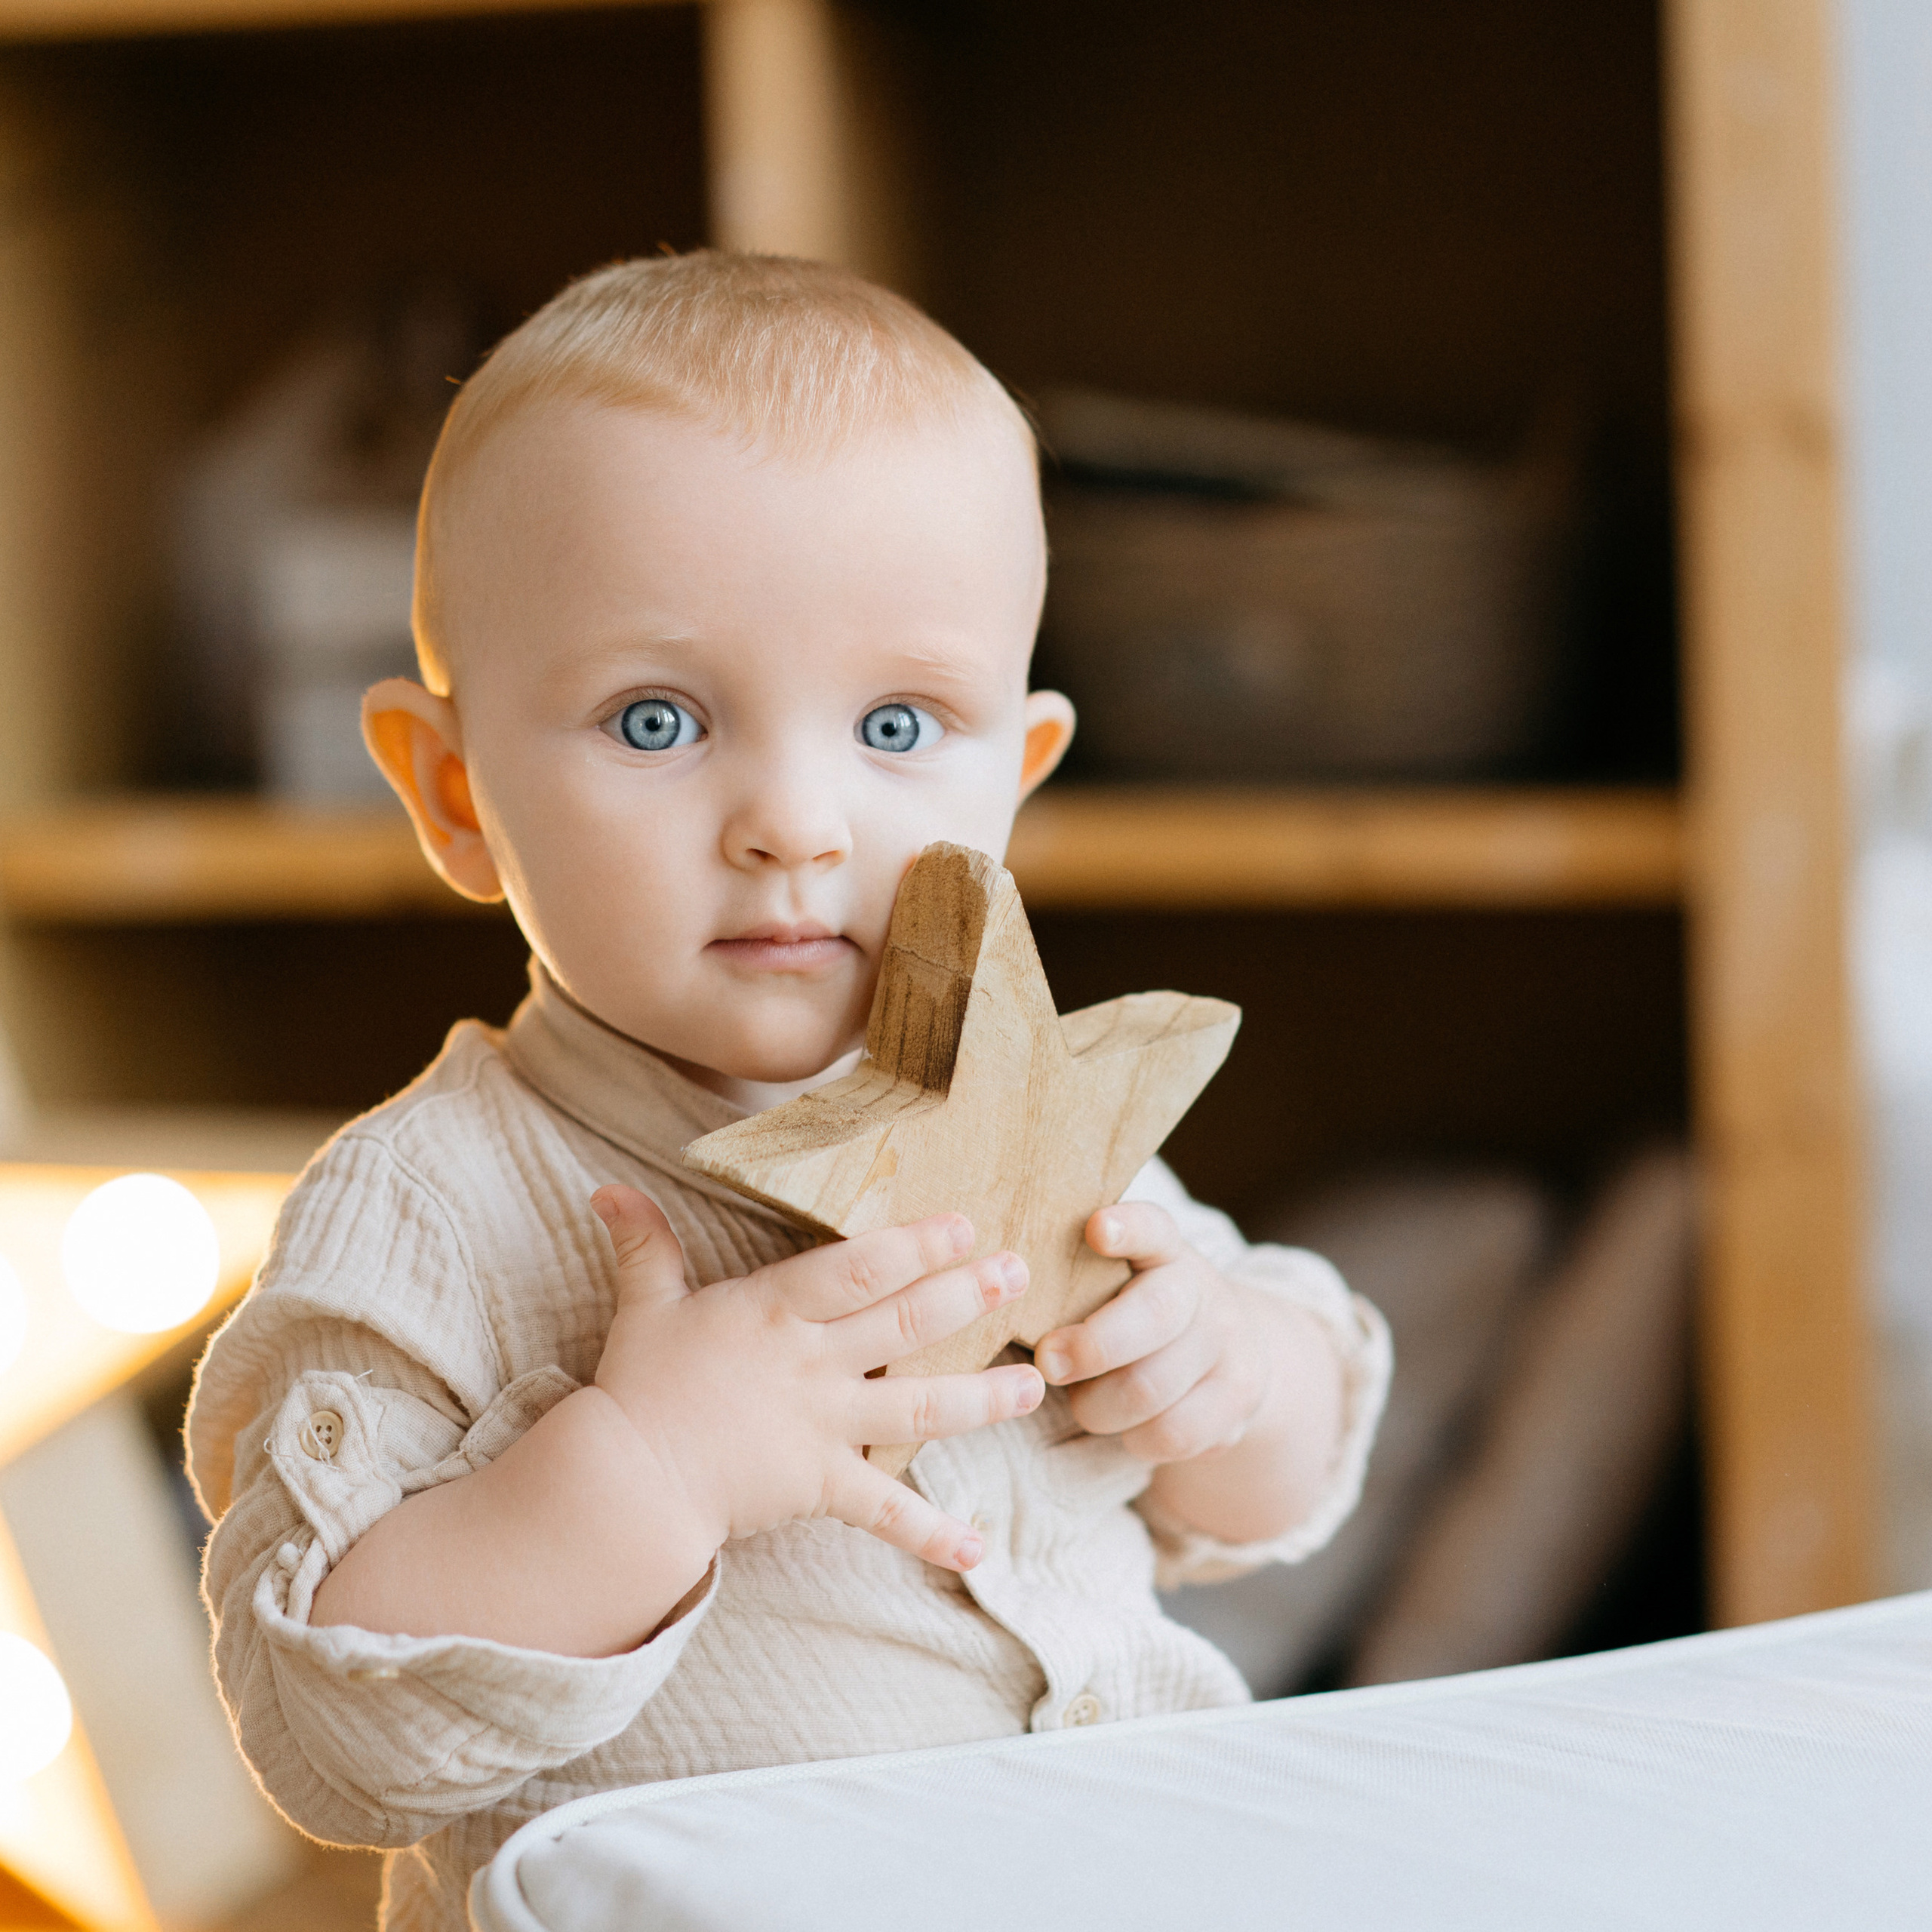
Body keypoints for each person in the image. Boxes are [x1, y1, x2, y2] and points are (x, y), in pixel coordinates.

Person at [186, 252, 1392, 1930]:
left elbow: (1266, 1492)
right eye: (659, 716)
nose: (794, 821)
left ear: (1015, 778)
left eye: (897, 721)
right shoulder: (430, 1205)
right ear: (454, 793)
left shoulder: (1031, 1119)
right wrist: (648, 1469)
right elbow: (322, 1717)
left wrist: (1225, 1372)